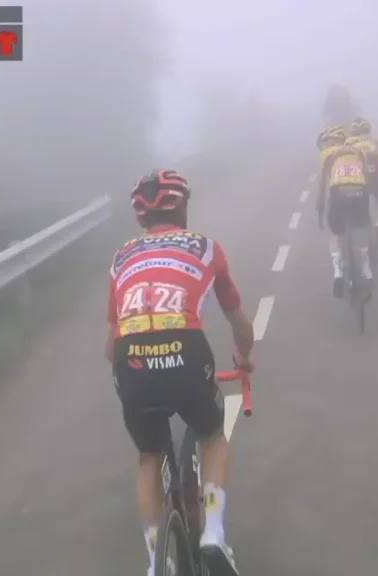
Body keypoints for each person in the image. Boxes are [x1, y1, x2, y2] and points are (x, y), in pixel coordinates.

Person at [106, 170, 255, 576]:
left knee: (150, 456)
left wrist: (132, 371)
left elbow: (110, 339)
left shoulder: (121, 257)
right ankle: (215, 533)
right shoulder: (207, 248)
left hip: (130, 358)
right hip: (186, 354)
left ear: (141, 218)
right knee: (211, 433)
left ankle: (157, 561)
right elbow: (239, 323)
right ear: (184, 207)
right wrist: (244, 360)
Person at [315, 126, 375, 298]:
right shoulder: (358, 151)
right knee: (362, 226)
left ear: (332, 141)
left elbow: (322, 185)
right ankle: (365, 267)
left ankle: (338, 272)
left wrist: (320, 207)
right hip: (360, 191)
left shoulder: (327, 154)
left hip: (338, 192)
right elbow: (368, 177)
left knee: (336, 232)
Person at [345, 117, 378, 247]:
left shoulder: (348, 142)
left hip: (357, 176)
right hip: (376, 174)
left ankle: (356, 224)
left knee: (356, 203)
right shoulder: (375, 141)